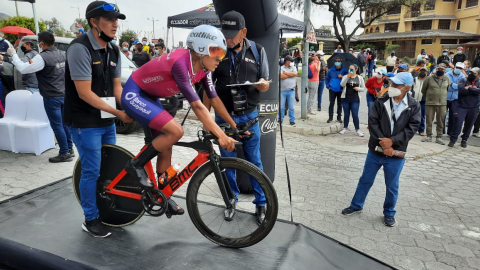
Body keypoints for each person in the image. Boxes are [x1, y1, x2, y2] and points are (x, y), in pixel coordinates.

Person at [122, 24, 237, 218]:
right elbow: (198, 106)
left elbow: (214, 100)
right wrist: (220, 134)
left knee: (168, 143)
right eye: (216, 51)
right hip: (135, 93)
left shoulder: (205, 69)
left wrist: (234, 126)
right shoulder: (181, 63)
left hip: (150, 97)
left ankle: (162, 195)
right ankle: (135, 164)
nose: (220, 58)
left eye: (223, 53)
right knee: (176, 131)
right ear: (200, 49)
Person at [64, 1, 132, 238]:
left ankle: (104, 210)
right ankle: (90, 219)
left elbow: (116, 88)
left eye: (117, 20)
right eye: (110, 20)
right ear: (94, 22)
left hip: (105, 119)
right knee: (91, 170)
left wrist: (130, 108)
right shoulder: (79, 48)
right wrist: (118, 113)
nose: (115, 25)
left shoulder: (113, 49)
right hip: (84, 121)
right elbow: (84, 93)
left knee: (108, 167)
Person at [205, 11, 270, 225]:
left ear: (244, 32)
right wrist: (205, 117)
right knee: (227, 163)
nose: (228, 38)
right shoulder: (216, 50)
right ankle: (230, 201)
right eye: (225, 33)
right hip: (223, 118)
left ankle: (261, 204)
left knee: (255, 161)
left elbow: (266, 82)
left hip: (249, 115)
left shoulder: (258, 51)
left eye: (233, 34)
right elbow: (207, 88)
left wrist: (262, 84)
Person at [342, 72, 420, 227]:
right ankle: (356, 205)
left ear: (407, 87)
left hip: (395, 153)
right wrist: (384, 143)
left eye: (397, 85)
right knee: (365, 180)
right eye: (392, 83)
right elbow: (373, 122)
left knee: (392, 185)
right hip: (375, 150)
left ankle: (389, 212)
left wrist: (392, 142)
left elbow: (412, 128)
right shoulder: (381, 100)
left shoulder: (413, 106)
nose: (392, 87)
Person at [7, 31, 73, 163]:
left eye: (39, 43)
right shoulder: (63, 54)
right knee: (65, 124)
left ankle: (64, 152)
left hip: (52, 96)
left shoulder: (42, 57)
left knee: (57, 125)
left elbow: (24, 68)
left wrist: (13, 55)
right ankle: (70, 149)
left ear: (42, 43)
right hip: (64, 94)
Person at [448, 68, 480, 148]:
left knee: (469, 125)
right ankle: (453, 139)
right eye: (471, 72)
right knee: (458, 123)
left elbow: (478, 92)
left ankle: (464, 140)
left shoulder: (479, 82)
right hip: (462, 106)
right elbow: (461, 90)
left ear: (478, 74)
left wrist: (469, 88)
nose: (471, 74)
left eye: (474, 73)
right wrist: (474, 90)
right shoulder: (464, 80)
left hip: (474, 107)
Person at [421, 63, 450, 145]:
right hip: (430, 103)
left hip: (442, 103)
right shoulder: (429, 78)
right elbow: (424, 90)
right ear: (436, 70)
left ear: (444, 71)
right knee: (429, 120)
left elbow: (447, 89)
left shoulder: (447, 79)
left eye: (442, 70)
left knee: (440, 121)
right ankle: (429, 136)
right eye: (439, 69)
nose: (440, 71)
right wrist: (430, 97)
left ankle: (439, 137)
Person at [339, 64, 366, 137]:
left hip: (355, 98)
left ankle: (357, 129)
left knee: (355, 114)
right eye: (349, 69)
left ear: (356, 70)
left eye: (352, 69)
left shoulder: (360, 78)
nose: (350, 70)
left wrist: (358, 89)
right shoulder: (345, 76)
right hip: (345, 98)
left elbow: (363, 88)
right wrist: (347, 77)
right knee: (346, 114)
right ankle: (345, 128)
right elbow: (342, 84)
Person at [444, 62, 466, 137]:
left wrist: (452, 85)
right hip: (446, 97)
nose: (458, 69)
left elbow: (461, 87)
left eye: (460, 68)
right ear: (454, 67)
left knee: (453, 116)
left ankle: (450, 132)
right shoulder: (447, 75)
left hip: (456, 99)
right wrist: (456, 86)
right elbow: (446, 86)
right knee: (442, 115)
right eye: (457, 68)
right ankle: (441, 132)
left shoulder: (463, 77)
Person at [326, 57, 348, 123]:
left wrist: (342, 77)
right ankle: (330, 117)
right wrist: (328, 86)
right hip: (332, 89)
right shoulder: (331, 70)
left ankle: (339, 117)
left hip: (340, 89)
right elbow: (327, 79)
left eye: (339, 61)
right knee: (331, 104)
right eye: (336, 61)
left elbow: (348, 79)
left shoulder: (344, 70)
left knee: (340, 104)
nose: (337, 62)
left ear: (341, 62)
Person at [279, 55, 297, 125]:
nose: (292, 62)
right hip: (282, 90)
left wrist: (286, 73)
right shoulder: (281, 68)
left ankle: (292, 120)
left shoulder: (293, 67)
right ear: (287, 61)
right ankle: (280, 119)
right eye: (290, 61)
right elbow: (281, 76)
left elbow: (295, 73)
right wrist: (290, 74)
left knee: (291, 107)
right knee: (281, 107)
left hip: (291, 90)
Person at [413, 67, 428, 136]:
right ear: (418, 72)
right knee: (412, 115)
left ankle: (421, 130)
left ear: (426, 73)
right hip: (414, 100)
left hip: (423, 101)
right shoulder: (414, 79)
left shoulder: (428, 80)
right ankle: (412, 129)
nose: (422, 72)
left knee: (422, 116)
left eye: (424, 71)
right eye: (421, 71)